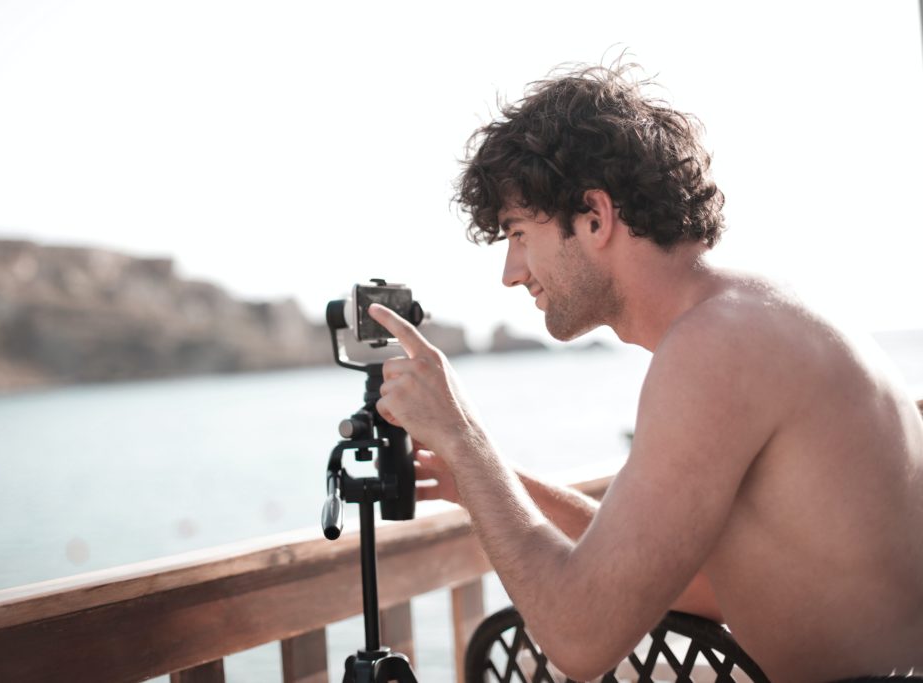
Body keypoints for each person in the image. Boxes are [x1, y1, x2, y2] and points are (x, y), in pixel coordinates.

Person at [366, 61, 923, 682]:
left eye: (519, 233)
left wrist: (465, 439)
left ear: (595, 218)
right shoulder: (757, 316)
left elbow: (579, 639)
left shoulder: (716, 349)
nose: (511, 271)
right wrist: (483, 478)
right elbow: (706, 583)